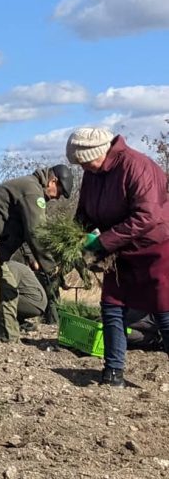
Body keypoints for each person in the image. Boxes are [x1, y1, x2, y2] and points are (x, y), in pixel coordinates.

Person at [67, 128, 169, 387]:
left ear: (98, 152)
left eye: (84, 161)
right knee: (112, 307)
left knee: (163, 310)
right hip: (118, 251)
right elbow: (85, 212)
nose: (83, 167)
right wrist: (74, 236)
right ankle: (113, 372)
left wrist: (104, 242)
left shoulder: (137, 166)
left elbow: (147, 216)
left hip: (154, 247)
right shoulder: (93, 174)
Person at [0, 165, 72, 343]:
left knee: (8, 290)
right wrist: (51, 267)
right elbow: (36, 233)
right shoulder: (32, 191)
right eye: (59, 191)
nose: (57, 197)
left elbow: (29, 233)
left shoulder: (31, 188)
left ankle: (7, 343)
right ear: (52, 181)